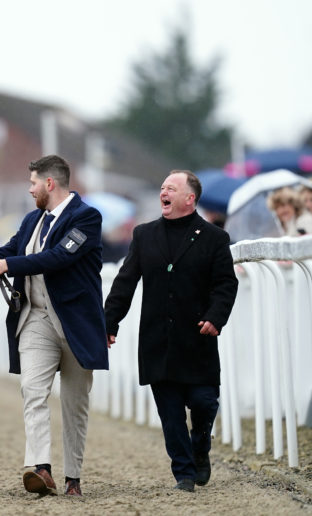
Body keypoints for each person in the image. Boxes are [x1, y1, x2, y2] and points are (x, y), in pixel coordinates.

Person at [0, 155, 108, 497]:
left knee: (74, 403)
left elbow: (59, 257)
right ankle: (41, 469)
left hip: (76, 323)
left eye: (33, 183)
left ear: (50, 183)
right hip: (35, 319)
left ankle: (73, 478)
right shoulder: (32, 220)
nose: (30, 189)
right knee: (32, 390)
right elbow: (5, 254)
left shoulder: (87, 217)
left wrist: (7, 265)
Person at [103, 170, 238, 493]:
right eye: (162, 187)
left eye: (171, 188)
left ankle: (200, 446)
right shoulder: (144, 235)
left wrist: (215, 317)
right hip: (157, 341)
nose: (163, 192)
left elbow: (225, 284)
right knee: (171, 414)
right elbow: (125, 282)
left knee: (204, 403)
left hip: (198, 339)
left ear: (190, 198)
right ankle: (184, 474)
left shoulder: (214, 238)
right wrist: (109, 323)